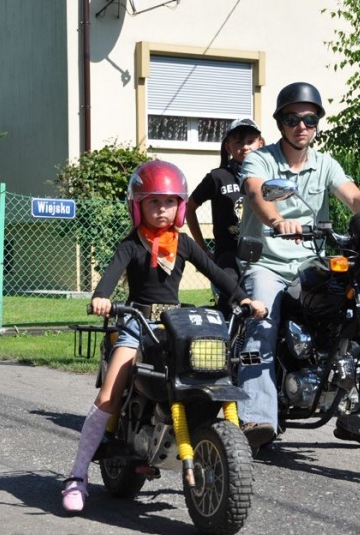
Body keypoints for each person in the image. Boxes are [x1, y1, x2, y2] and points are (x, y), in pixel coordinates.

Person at [61, 159, 267, 513]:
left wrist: (243, 298)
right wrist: (101, 298)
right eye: (153, 202)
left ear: (180, 206)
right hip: (135, 322)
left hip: (173, 323)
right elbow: (109, 277)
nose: (161, 209)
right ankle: (77, 476)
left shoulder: (183, 243)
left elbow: (216, 272)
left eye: (169, 202)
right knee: (110, 392)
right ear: (138, 206)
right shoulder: (131, 245)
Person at [235, 82, 360, 453]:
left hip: (310, 259)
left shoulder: (325, 164)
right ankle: (257, 417)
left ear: (317, 123)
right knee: (262, 322)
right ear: (280, 123)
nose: (301, 126)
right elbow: (257, 192)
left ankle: (355, 415)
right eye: (293, 119)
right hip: (267, 262)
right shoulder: (260, 160)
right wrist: (277, 221)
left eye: (309, 119)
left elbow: (354, 196)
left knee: (355, 313)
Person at [185, 118, 264, 316]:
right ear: (228, 146)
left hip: (262, 251)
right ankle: (223, 327)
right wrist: (203, 249)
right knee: (230, 289)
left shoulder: (267, 175)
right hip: (229, 252)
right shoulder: (218, 177)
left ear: (260, 143)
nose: (245, 147)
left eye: (250, 141)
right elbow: (189, 208)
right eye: (238, 142)